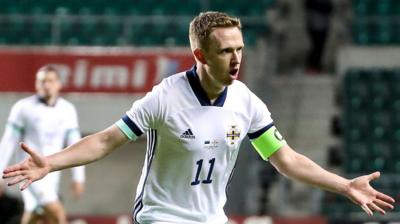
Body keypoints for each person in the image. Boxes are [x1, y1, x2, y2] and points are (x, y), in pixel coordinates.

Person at [2, 12, 395, 223]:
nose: (237, 58)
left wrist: (344, 186)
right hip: (161, 216)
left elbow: (286, 160)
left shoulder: (246, 101)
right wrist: (51, 163)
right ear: (201, 56)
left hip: (210, 218)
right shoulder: (164, 98)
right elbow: (106, 140)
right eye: (226, 51)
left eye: (239, 48)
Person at [0, 65, 85, 224]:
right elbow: (8, 142)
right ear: (36, 84)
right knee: (57, 212)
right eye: (42, 81)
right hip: (30, 171)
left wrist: (78, 177)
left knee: (34, 214)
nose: (46, 85)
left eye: (50, 81)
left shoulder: (68, 110)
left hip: (52, 172)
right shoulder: (23, 108)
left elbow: (76, 144)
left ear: (59, 84)